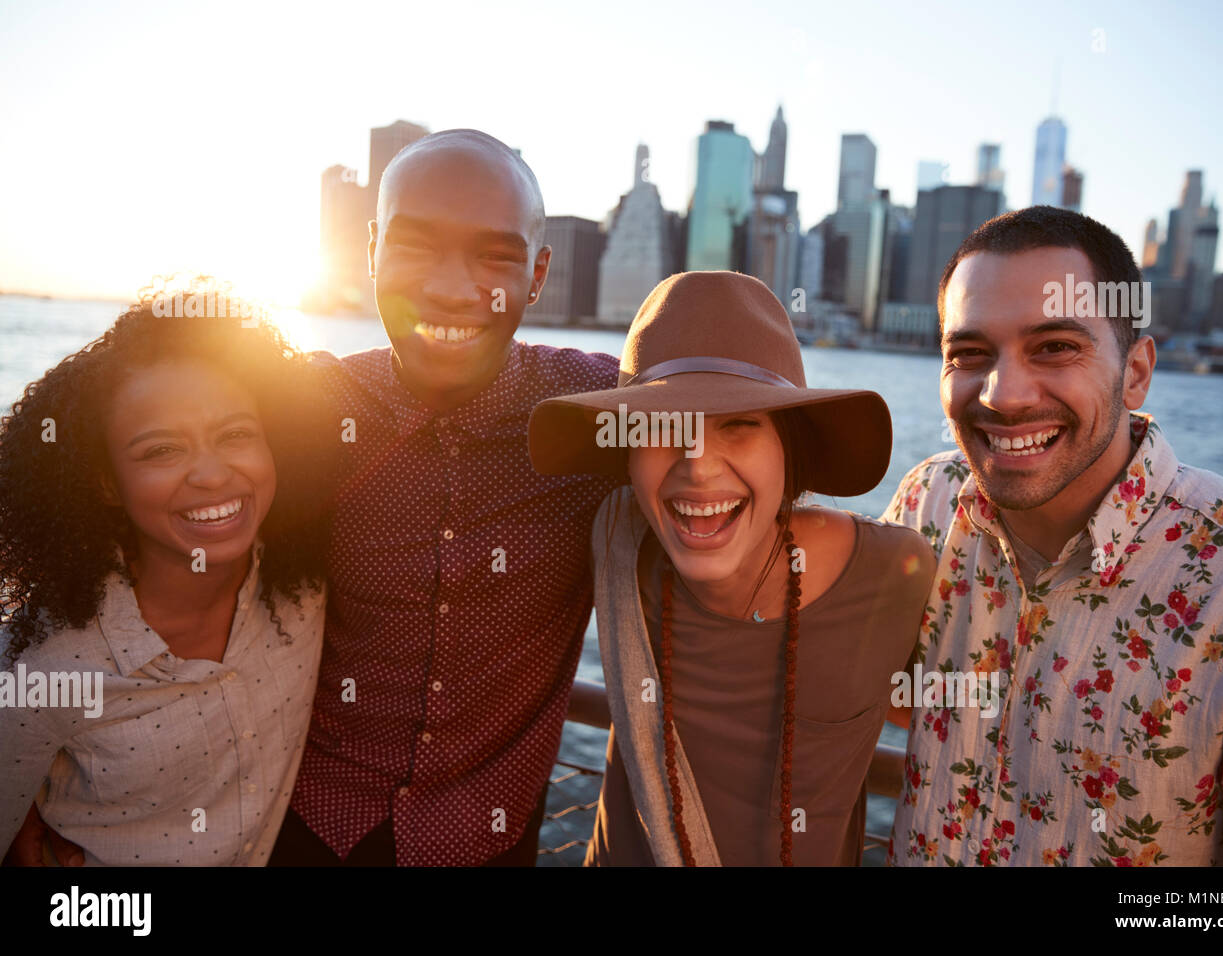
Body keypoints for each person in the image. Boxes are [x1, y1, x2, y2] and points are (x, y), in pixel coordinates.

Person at [8, 129, 618, 868]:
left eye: (495, 256)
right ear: (371, 250)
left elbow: (747, 430)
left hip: (491, 840)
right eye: (416, 246)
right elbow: (136, 446)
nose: (453, 288)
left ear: (539, 274)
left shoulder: (601, 414)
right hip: (303, 833)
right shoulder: (300, 405)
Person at [884, 206, 1223, 866]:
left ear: (1135, 372)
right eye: (969, 353)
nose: (1004, 393)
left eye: (1054, 347)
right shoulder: (928, 504)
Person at [528, 271, 936, 865]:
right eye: (663, 426)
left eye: (739, 425)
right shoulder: (619, 544)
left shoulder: (890, 573)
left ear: (788, 445)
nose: (697, 467)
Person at [0, 288, 334, 865]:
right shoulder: (45, 662)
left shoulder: (303, 585)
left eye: (235, 434)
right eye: (161, 450)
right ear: (105, 483)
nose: (210, 474)